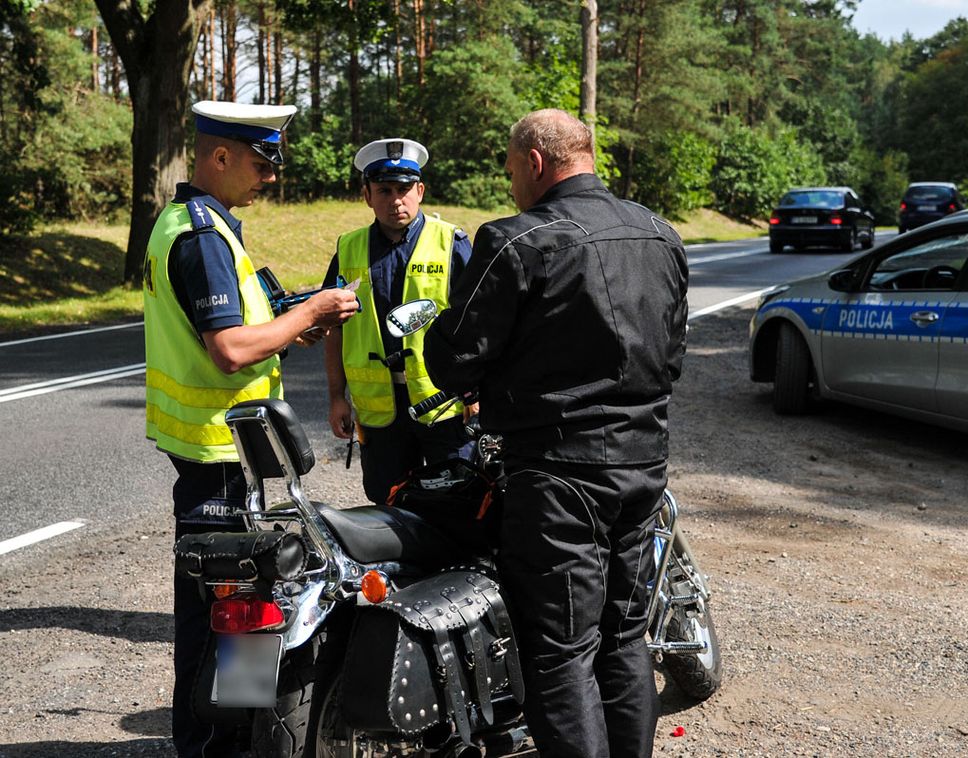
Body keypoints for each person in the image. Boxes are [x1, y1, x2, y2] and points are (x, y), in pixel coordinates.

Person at [423, 109, 689, 757]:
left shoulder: (516, 241)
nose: (511, 183)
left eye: (512, 170)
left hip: (559, 476)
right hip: (644, 468)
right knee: (625, 637)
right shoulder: (662, 235)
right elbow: (673, 357)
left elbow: (452, 358)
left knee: (560, 651)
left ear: (536, 163)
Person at [143, 100, 359, 758]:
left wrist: (295, 318)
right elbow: (231, 348)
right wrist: (316, 309)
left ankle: (222, 742)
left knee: (236, 620)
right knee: (228, 627)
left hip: (220, 457)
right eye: (261, 163)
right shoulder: (203, 236)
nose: (270, 176)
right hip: (220, 464)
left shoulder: (195, 223)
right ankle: (216, 748)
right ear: (219, 157)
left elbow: (246, 329)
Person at [322, 137, 475, 505]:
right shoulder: (348, 248)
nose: (396, 200)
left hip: (443, 405)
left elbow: (476, 324)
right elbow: (333, 328)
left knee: (458, 500)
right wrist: (335, 397)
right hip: (379, 410)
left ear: (420, 191)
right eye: (384, 190)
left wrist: (475, 393)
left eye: (405, 189)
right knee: (388, 503)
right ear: (367, 196)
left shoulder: (450, 242)